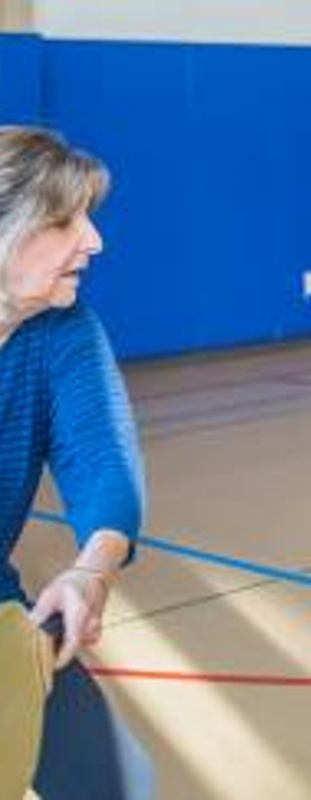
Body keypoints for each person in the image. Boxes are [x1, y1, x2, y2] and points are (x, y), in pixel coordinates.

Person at [0, 126, 154, 799]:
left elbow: (103, 461)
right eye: (64, 221)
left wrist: (93, 567)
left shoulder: (64, 331)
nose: (94, 241)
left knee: (117, 785)